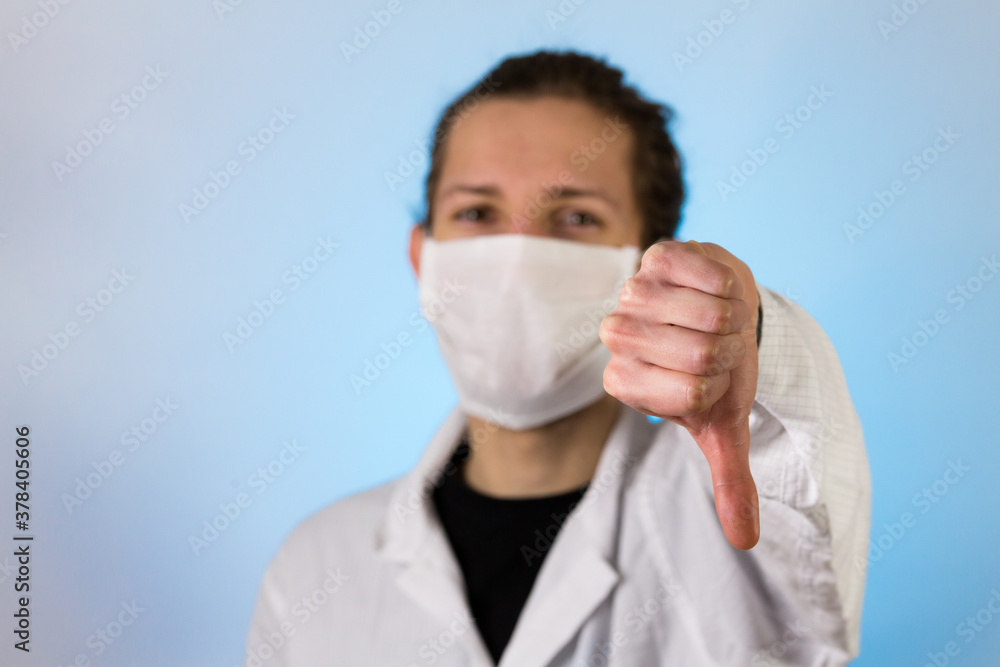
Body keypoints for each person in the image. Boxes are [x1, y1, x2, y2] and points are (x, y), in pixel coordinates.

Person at [244, 50, 871, 666]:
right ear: (422, 258)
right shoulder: (314, 569)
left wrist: (751, 334)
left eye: (575, 216)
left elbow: (810, 483)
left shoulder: (743, 528)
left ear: (653, 266)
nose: (517, 259)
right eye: (476, 213)